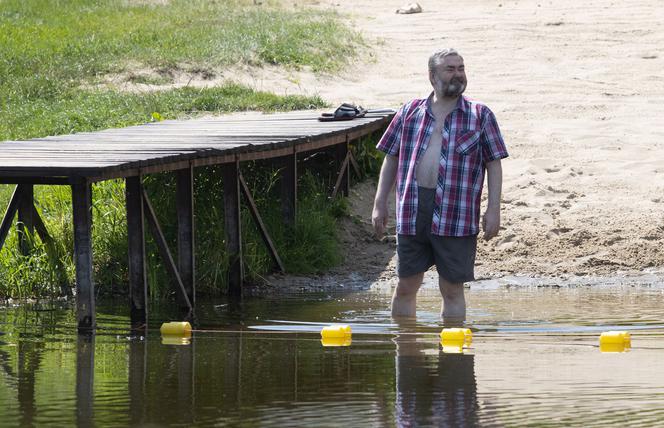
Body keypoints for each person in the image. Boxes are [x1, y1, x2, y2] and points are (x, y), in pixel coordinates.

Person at [372, 48, 508, 320]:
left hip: (456, 212)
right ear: (432, 76)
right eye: (450, 69)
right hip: (412, 210)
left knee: (452, 289)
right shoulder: (410, 111)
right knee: (406, 286)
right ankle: (407, 349)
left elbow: (494, 164)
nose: (458, 74)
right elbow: (392, 158)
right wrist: (379, 204)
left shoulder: (480, 115)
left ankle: (454, 358)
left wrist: (494, 209)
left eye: (461, 68)